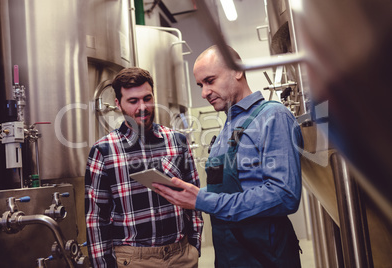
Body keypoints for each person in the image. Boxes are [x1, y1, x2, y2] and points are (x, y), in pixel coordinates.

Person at [153, 45, 303, 267]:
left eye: (210, 81)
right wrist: (193, 195)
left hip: (265, 257)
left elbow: (284, 195)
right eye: (200, 85)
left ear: (238, 71)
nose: (204, 93)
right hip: (229, 255)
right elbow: (229, 191)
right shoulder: (228, 127)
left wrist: (203, 200)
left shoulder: (273, 117)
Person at [85, 67, 204, 268]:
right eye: (133, 101)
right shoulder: (103, 150)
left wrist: (194, 245)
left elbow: (193, 197)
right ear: (118, 104)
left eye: (147, 98)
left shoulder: (177, 141)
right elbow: (96, 218)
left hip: (181, 255)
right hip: (133, 259)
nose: (143, 107)